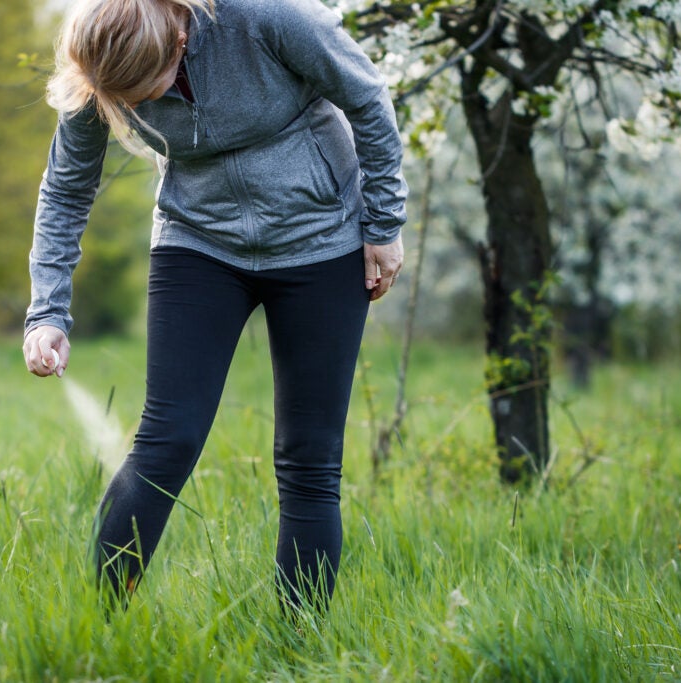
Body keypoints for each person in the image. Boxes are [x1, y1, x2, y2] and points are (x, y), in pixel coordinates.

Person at [22, 0, 407, 614]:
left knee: (309, 459)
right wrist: (47, 312)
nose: (142, 109)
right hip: (196, 240)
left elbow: (368, 98)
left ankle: (298, 645)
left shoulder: (270, 18)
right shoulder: (105, 65)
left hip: (320, 241)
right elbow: (67, 186)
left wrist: (383, 224)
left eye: (150, 92)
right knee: (166, 440)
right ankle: (96, 624)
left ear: (178, 38)